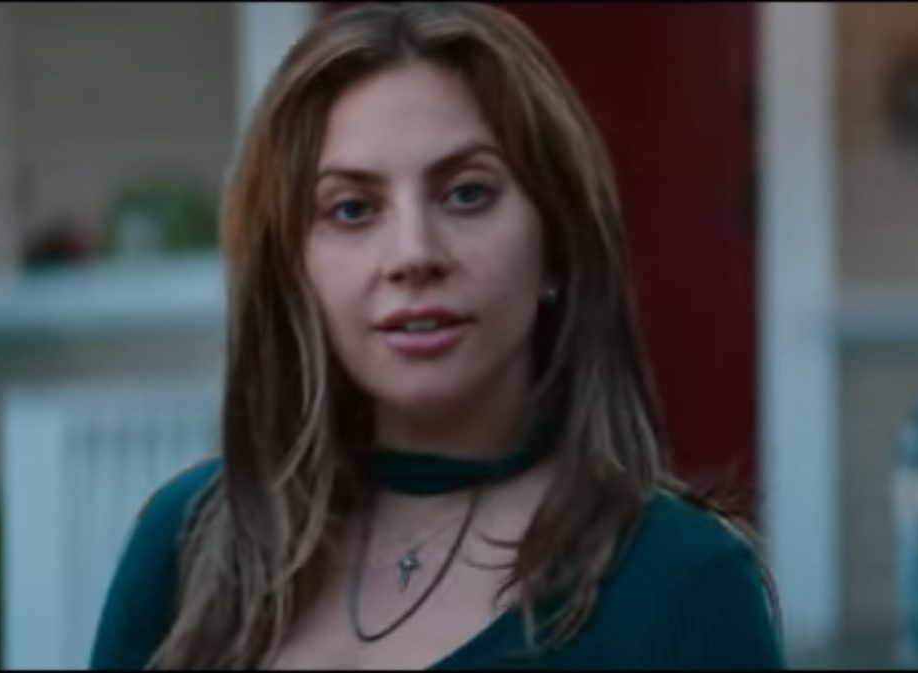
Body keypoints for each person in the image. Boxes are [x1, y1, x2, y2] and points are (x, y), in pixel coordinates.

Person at [89, 2, 786, 669]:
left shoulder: (681, 581)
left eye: (467, 194)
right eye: (353, 208)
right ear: (294, 268)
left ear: (557, 245)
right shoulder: (190, 543)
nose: (413, 253)